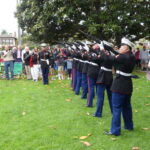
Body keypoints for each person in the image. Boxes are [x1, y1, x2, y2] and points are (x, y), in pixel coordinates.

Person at [105, 38, 136, 136]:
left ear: (127, 48)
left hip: (119, 85)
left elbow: (110, 60)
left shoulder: (122, 57)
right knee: (127, 107)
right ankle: (129, 126)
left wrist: (105, 50)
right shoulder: (131, 56)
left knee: (116, 108)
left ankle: (115, 130)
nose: (119, 48)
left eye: (122, 46)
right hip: (127, 84)